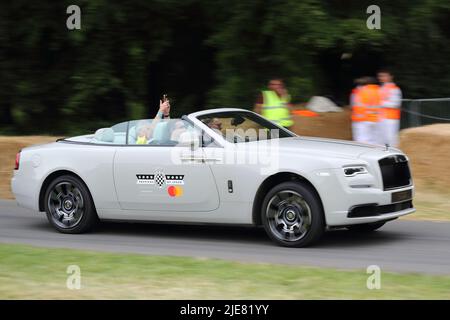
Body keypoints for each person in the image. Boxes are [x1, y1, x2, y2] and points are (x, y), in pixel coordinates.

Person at [378, 69, 402, 147]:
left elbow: (395, 104)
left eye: (384, 75)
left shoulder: (395, 89)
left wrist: (380, 103)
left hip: (391, 118)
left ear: (391, 77)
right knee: (382, 139)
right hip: (381, 117)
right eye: (380, 76)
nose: (381, 77)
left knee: (391, 139)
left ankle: (393, 155)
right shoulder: (381, 88)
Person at [357, 77, 382, 144]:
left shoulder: (363, 91)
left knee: (365, 138)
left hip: (366, 118)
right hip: (377, 118)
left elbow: (360, 105)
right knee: (376, 138)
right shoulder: (380, 91)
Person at [350, 77, 366, 143]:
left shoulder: (354, 92)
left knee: (357, 136)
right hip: (366, 117)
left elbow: (352, 105)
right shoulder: (368, 92)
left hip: (356, 117)